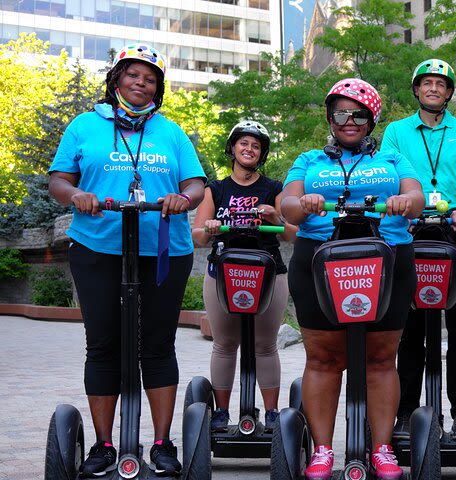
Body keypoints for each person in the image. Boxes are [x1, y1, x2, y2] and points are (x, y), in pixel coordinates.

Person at [48, 44, 206, 477]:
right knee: (103, 346)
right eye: (133, 75)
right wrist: (76, 194)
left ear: (159, 87)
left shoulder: (170, 131)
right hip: (98, 246)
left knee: (157, 345)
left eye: (151, 78)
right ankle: (102, 444)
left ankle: (161, 443)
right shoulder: (85, 125)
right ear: (116, 79)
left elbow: (195, 185)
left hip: (163, 249)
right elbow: (59, 180)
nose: (141, 83)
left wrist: (182, 197)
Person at [281, 78, 425, 480]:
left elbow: (416, 199)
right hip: (319, 261)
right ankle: (324, 451)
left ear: (371, 119)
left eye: (358, 113)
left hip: (387, 257)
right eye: (340, 113)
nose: (349, 120)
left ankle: (381, 448)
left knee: (381, 359)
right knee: (324, 358)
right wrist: (303, 202)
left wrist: (403, 201)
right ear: (330, 117)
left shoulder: (393, 160)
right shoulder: (309, 160)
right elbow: (288, 208)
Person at [381, 59, 456, 440]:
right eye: (426, 83)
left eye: (441, 84)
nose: (433, 89)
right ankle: (406, 413)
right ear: (416, 90)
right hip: (410, 233)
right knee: (409, 327)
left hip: (453, 232)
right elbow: (391, 177)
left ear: (449, 92)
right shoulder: (395, 131)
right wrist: (401, 208)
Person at [191, 120, 296, 433]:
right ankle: (221, 412)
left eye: (256, 146)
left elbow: (292, 235)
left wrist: (276, 217)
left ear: (261, 153)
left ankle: (273, 414)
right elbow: (197, 234)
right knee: (224, 344)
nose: (249, 149)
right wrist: (208, 228)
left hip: (268, 273)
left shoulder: (274, 188)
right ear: (233, 148)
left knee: (266, 344)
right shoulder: (217, 189)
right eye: (243, 144)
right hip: (223, 273)